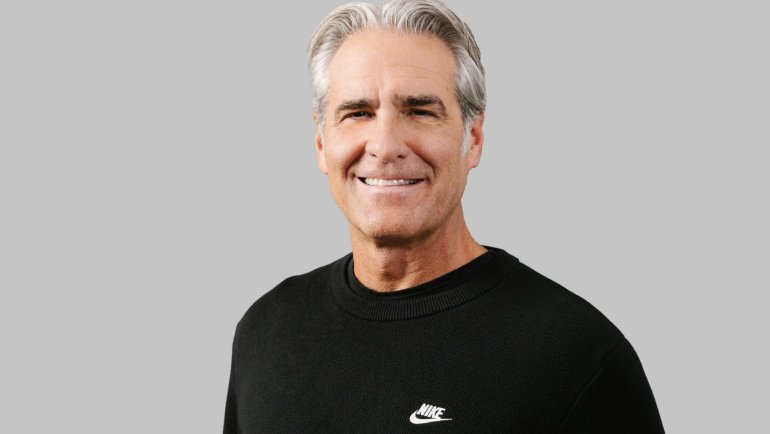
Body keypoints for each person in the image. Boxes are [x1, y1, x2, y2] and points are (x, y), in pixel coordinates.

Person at [224, 0, 664, 432]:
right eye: (358, 113)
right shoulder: (267, 331)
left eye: (419, 111)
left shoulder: (577, 357)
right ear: (322, 143)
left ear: (473, 138)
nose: (386, 145)